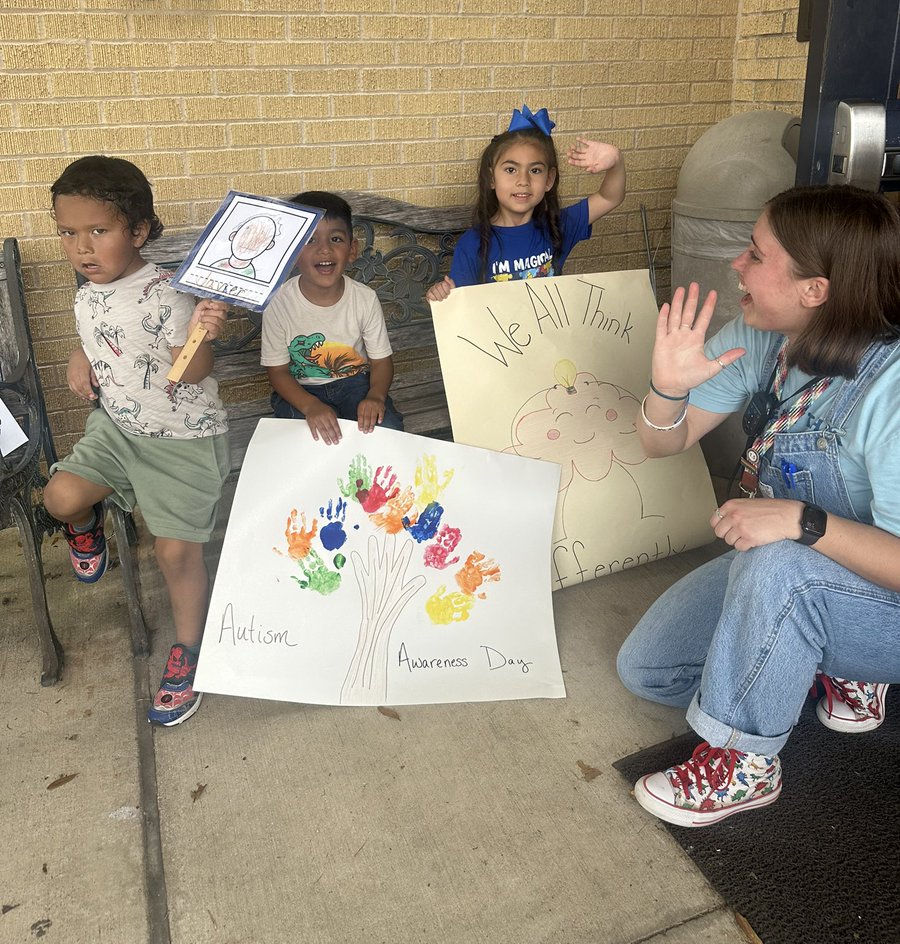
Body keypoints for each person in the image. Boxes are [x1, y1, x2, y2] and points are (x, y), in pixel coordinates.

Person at [616, 183, 900, 828]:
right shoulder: (764, 336)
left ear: (815, 290)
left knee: (777, 567)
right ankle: (830, 663)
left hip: (876, 594)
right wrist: (666, 388)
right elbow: (665, 443)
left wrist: (804, 523)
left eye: (755, 254)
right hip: (810, 570)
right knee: (650, 670)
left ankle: (743, 763)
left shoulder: (893, 389)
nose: (736, 266)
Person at [43, 155, 229, 728]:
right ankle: (87, 524)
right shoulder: (88, 289)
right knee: (60, 497)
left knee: (175, 554)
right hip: (119, 428)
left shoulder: (171, 295)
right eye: (69, 234)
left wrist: (204, 330)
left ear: (140, 230)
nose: (82, 248)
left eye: (99, 231)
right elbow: (96, 331)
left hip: (181, 441)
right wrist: (80, 354)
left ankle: (190, 652)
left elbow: (190, 374)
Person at [425, 105, 625, 300]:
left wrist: (615, 161)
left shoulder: (558, 225)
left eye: (535, 170)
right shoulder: (472, 244)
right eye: (511, 170)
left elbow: (609, 198)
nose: (523, 181)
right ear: (492, 178)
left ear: (549, 180)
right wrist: (442, 295)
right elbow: (460, 305)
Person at [261, 191, 403, 445]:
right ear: (291, 252)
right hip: (300, 390)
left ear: (352, 249)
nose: (324, 249)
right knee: (303, 441)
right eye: (310, 240)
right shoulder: (278, 302)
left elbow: (382, 362)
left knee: (387, 430)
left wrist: (376, 397)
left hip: (355, 385)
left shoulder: (364, 298)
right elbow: (278, 372)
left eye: (336, 239)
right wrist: (311, 406)